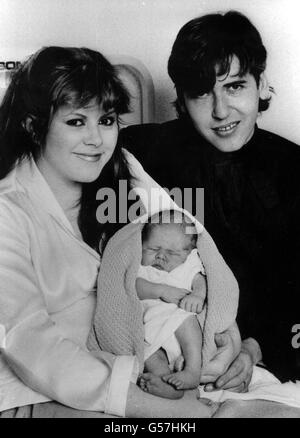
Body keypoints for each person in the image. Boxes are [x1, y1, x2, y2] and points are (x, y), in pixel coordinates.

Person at [0, 45, 225, 418]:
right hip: (36, 390)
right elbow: (28, 342)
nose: (96, 139)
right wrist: (149, 406)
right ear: (33, 124)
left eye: (106, 121)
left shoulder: (122, 167)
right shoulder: (8, 211)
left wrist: (226, 332)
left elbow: (192, 236)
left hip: (137, 360)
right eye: (76, 122)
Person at [120, 10, 300, 389]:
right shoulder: (143, 151)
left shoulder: (295, 170)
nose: (220, 111)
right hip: (162, 344)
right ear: (182, 101)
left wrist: (255, 349)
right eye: (202, 93)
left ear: (261, 85)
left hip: (262, 355)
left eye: (234, 86)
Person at [136, 209, 206, 398]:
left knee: (187, 321)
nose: (160, 257)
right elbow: (134, 286)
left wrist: (198, 296)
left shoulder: (187, 266)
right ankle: (166, 384)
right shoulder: (142, 268)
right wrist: (161, 291)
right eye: (152, 249)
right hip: (150, 330)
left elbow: (199, 281)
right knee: (149, 353)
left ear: (188, 253)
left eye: (171, 253)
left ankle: (192, 370)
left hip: (179, 320)